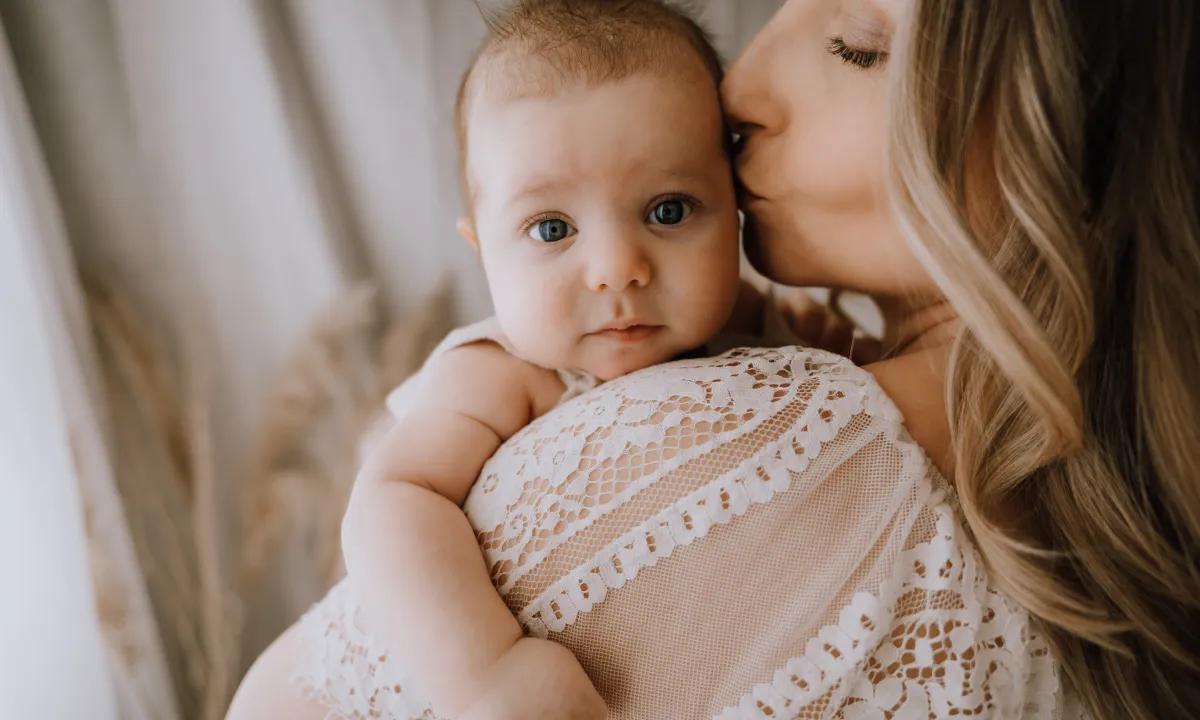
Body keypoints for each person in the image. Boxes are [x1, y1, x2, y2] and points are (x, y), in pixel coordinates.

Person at [228, 1, 1200, 719]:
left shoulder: (779, 439)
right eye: (552, 228)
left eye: (857, 48)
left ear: (1077, 127)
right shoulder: (1119, 545)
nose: (738, 92)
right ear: (479, 243)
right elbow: (390, 506)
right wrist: (485, 671)